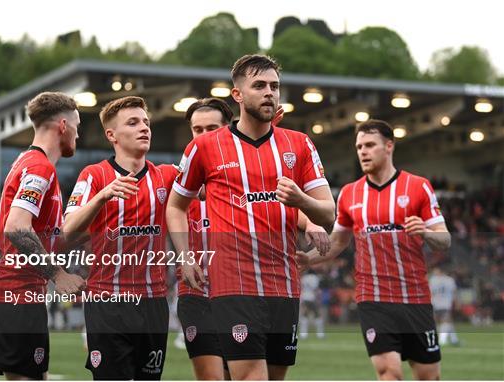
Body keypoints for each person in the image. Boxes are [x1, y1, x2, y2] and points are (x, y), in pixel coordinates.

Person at [167, 54, 335, 380]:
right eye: (259, 85)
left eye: (274, 86)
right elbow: (176, 206)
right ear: (238, 95)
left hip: (284, 284)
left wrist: (300, 199)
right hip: (233, 285)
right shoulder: (205, 147)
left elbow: (328, 211)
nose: (269, 92)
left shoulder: (299, 145)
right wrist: (185, 258)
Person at [299, 119, 451, 380]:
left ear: (389, 146)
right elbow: (337, 242)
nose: (363, 152)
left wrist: (425, 232)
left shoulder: (418, 187)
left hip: (414, 297)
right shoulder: (349, 193)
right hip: (373, 299)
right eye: (359, 147)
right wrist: (307, 259)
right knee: (388, 371)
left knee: (428, 375)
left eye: (370, 145)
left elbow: (444, 240)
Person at [62, 96, 177, 380]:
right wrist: (102, 197)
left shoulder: (167, 176)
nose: (144, 128)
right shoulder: (95, 175)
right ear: (111, 135)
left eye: (146, 122)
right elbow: (67, 233)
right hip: (107, 302)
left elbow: (211, 185)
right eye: (133, 122)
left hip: (153, 303)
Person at [0, 92, 85, 380]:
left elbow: (40, 231)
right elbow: (17, 226)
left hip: (15, 293)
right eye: (77, 125)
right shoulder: (40, 167)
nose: (79, 133)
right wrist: (58, 274)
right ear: (63, 126)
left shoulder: (27, 162)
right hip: (15, 294)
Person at [176, 98, 234, 380]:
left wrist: (309, 222)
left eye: (211, 128)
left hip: (239, 293)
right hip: (195, 294)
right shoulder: (177, 181)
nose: (203, 136)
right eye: (197, 130)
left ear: (228, 129)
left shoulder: (242, 179)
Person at [429, 266, 460, 346]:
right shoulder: (449, 280)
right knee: (446, 321)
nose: (434, 273)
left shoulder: (433, 280)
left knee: (444, 322)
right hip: (446, 304)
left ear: (440, 271)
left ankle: (452, 340)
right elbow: (454, 292)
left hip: (435, 303)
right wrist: (456, 303)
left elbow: (429, 292)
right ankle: (445, 340)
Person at [299, 270, 325, 339]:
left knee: (304, 315)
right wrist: (318, 299)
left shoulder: (303, 278)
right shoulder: (315, 277)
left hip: (305, 297)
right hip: (313, 298)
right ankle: (320, 334)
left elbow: (301, 288)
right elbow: (316, 289)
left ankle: (303, 334)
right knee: (318, 315)